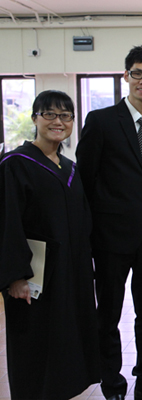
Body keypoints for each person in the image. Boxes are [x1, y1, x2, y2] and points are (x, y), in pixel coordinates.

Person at [76, 45, 142, 400]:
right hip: (110, 238)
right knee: (109, 315)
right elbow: (84, 183)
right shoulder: (101, 121)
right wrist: (86, 238)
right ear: (126, 76)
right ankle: (111, 381)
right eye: (137, 73)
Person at [0, 90, 100, 399]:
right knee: (34, 345)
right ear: (35, 119)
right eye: (50, 115)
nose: (58, 122)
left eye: (65, 116)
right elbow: (7, 222)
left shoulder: (68, 168)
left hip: (69, 273)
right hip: (35, 278)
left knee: (65, 342)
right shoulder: (14, 164)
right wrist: (16, 276)